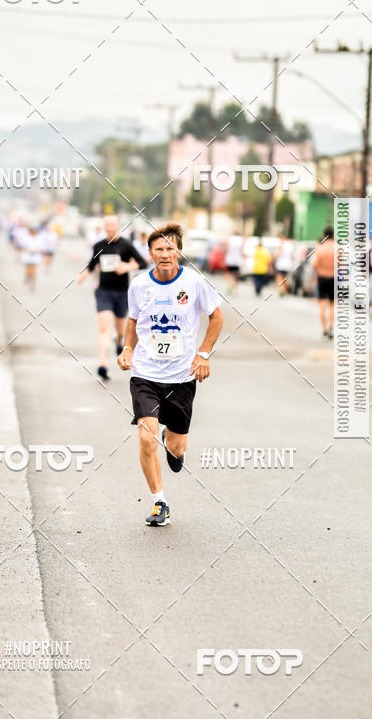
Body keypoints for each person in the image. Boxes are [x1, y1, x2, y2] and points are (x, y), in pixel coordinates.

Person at [117, 223, 223, 527]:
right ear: (150, 253)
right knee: (145, 437)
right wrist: (127, 349)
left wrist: (203, 353)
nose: (165, 254)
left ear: (179, 251)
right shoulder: (139, 285)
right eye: (159, 249)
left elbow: (216, 317)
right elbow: (132, 320)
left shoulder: (193, 282)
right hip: (145, 375)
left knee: (176, 449)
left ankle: (172, 440)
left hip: (181, 379)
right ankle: (159, 502)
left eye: (170, 248)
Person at [76, 214, 147, 381]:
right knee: (104, 328)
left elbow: (142, 263)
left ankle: (119, 342)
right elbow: (92, 265)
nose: (110, 227)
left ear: (118, 226)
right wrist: (82, 276)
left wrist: (127, 267)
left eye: (113, 224)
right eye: (107, 224)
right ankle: (102, 364)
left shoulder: (126, 245)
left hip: (122, 292)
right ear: (104, 226)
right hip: (104, 292)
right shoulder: (99, 245)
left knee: (120, 329)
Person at [312, 225, 336, 338]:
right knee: (332, 304)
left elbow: (314, 265)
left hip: (322, 277)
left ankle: (325, 329)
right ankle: (331, 326)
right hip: (333, 277)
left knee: (322, 305)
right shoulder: (337, 247)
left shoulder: (320, 248)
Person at [20, 222, 44, 291]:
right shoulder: (26, 237)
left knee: (34, 271)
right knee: (28, 270)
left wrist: (38, 251)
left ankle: (32, 284)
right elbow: (22, 247)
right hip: (27, 257)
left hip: (36, 257)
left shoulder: (39, 238)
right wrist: (27, 250)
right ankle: (27, 276)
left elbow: (42, 248)